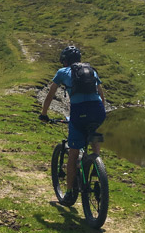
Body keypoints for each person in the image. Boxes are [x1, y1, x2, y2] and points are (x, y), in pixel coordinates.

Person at [39, 45, 107, 206]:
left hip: (79, 112)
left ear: (65, 61)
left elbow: (50, 95)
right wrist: (101, 113)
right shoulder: (92, 71)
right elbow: (101, 95)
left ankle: (69, 193)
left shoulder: (62, 72)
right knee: (93, 132)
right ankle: (96, 164)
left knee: (73, 153)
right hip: (98, 111)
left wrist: (44, 113)